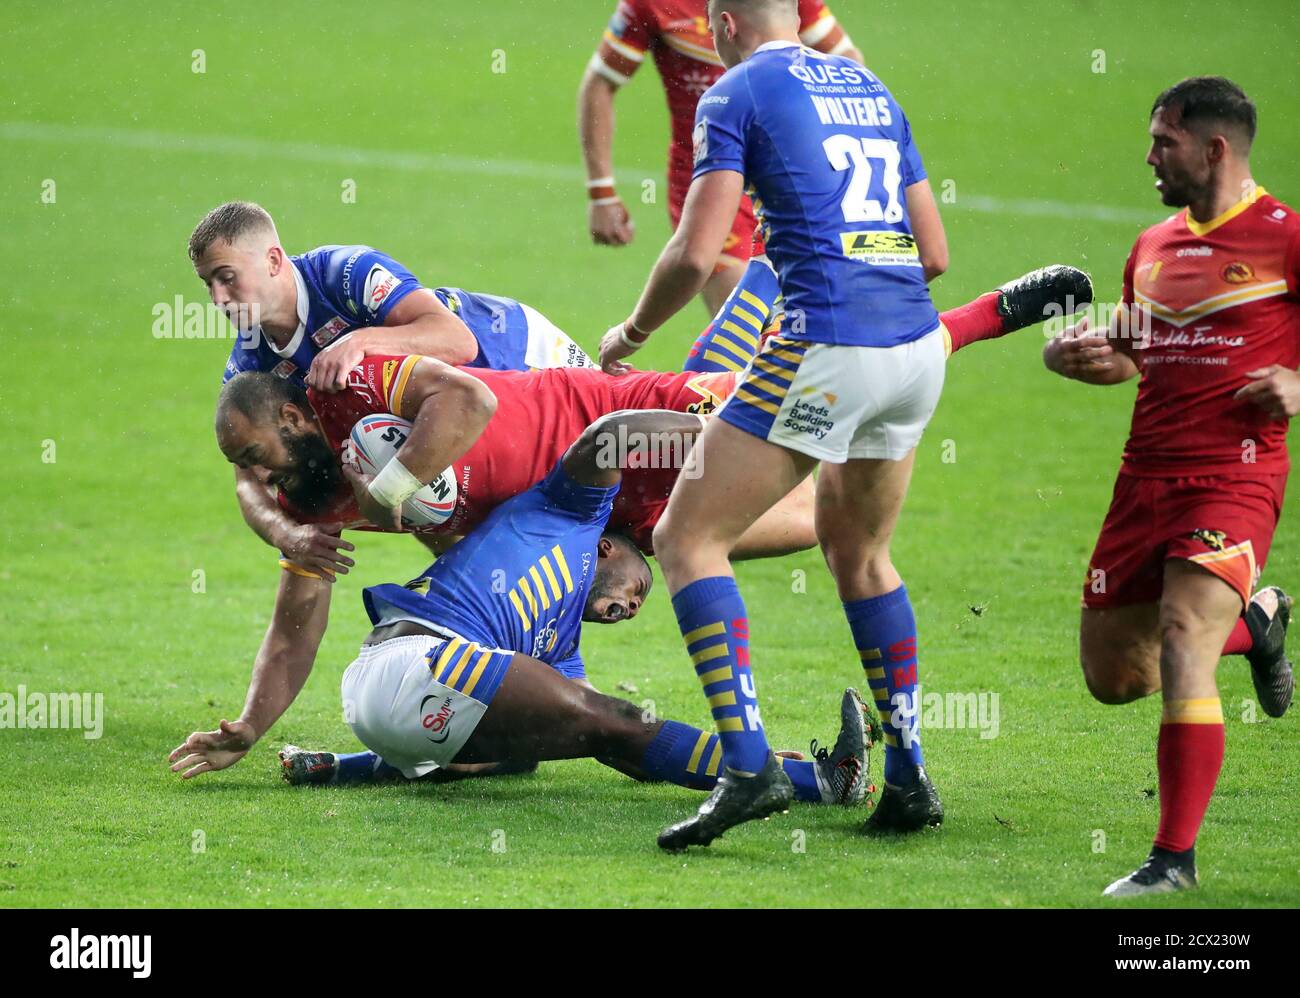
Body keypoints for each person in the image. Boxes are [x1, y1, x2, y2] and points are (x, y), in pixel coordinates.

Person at [599, 0, 951, 849]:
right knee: (859, 552)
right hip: (915, 350)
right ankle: (907, 774)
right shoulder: (872, 90)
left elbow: (694, 251)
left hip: (826, 344)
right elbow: (935, 252)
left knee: (685, 535)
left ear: (722, 23)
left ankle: (749, 768)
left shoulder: (736, 90)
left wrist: (631, 336)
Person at [170, 409, 873, 812]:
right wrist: (731, 436)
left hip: (406, 712)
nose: (634, 602)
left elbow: (616, 745)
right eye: (639, 585)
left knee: (555, 743)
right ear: (609, 549)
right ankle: (811, 783)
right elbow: (614, 436)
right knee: (611, 720)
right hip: (405, 660)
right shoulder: (570, 510)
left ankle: (338, 767)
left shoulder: (557, 652)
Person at [1043, 77, 1297, 896]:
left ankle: (1172, 862)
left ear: (1214, 148)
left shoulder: (1285, 237)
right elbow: (1135, 353)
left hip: (1235, 474)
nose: (1150, 157)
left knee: (1184, 636)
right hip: (1142, 476)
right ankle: (1258, 624)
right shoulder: (1150, 244)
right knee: (1118, 676)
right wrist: (1078, 357)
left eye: (1164, 142)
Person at [189, 201, 595, 580]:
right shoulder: (250, 366)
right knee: (429, 508)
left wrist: (360, 341)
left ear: (273, 260)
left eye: (227, 278)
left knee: (615, 483)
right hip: (456, 418)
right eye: (208, 284)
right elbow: (247, 480)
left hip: (519, 354)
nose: (218, 298)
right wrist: (286, 536)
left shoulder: (342, 274)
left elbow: (458, 341)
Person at [578, 0, 860, 316]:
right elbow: (600, 82)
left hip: (790, 176)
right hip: (709, 179)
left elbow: (849, 65)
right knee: (749, 331)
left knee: (810, 321)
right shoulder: (651, 4)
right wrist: (602, 192)